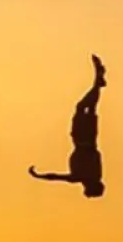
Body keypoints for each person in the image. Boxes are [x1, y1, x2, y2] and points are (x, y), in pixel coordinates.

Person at [29, 55, 106, 198]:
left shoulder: (84, 176)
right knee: (84, 107)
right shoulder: (86, 176)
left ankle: (98, 82)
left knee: (88, 108)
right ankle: (97, 82)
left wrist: (39, 176)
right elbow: (57, 177)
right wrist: (39, 176)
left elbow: (56, 177)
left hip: (85, 139)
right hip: (84, 139)